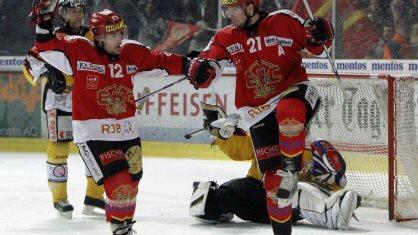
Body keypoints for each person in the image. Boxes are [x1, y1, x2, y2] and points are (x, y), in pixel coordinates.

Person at [29, 2, 196, 234]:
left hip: (127, 131)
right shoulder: (79, 47)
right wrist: (44, 23)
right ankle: (69, 202)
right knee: (116, 180)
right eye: (112, 34)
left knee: (133, 180)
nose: (119, 38)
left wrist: (190, 64)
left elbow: (159, 61)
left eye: (121, 32)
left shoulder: (129, 50)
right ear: (98, 36)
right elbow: (42, 50)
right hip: (89, 129)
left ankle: (121, 222)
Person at [185, 0, 334, 234]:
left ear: (251, 7)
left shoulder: (283, 20)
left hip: (295, 91)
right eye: (226, 9)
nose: (228, 14)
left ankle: (292, 173)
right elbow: (209, 65)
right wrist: (200, 70)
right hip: (257, 110)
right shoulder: (226, 36)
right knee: (273, 186)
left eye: (233, 9)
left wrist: (321, 30)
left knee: (288, 112)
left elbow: (317, 44)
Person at [189, 102, 360, 230]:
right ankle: (216, 206)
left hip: (285, 202)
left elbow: (338, 181)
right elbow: (240, 150)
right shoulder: (262, 138)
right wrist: (222, 135)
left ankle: (331, 213)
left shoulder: (315, 149)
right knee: (221, 195)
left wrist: (338, 193)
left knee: (292, 187)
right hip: (258, 192)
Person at [23, 0, 105, 219]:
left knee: (96, 147)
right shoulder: (54, 35)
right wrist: (46, 75)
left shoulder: (93, 36)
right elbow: (30, 60)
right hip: (60, 101)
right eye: (72, 11)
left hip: (87, 100)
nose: (78, 15)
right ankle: (60, 198)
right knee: (60, 147)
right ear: (63, 14)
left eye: (80, 11)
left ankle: (94, 197)